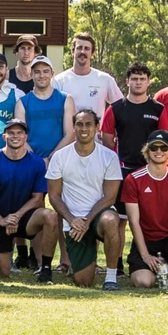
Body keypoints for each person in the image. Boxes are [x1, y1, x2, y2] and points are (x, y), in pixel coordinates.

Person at [46, 110, 124, 287]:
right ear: (73, 127)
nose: (84, 128)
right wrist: (72, 220)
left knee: (111, 220)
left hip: (98, 216)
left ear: (97, 127)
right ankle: (80, 264)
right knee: (84, 282)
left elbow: (110, 198)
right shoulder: (60, 156)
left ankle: (111, 278)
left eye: (89, 124)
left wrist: (87, 220)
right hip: (73, 222)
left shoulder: (109, 156)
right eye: (79, 124)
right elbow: (54, 196)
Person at [118, 130, 168, 290]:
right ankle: (158, 269)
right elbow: (133, 222)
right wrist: (145, 255)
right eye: (154, 148)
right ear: (147, 151)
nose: (159, 151)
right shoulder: (133, 179)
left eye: (163, 147)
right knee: (144, 282)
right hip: (146, 241)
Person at [0, 119, 59, 286]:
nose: (15, 136)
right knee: (3, 273)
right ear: (4, 136)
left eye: (19, 133)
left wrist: (16, 217)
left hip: (24, 217)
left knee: (50, 216)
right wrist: (2, 220)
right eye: (11, 133)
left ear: (26, 137)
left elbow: (37, 198)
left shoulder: (37, 162)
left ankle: (46, 268)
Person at [99, 62, 163, 175]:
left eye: (142, 79)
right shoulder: (115, 109)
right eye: (134, 79)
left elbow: (164, 140)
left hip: (150, 168)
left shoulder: (159, 109)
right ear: (127, 81)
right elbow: (107, 143)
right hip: (122, 168)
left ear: (148, 81)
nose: (138, 82)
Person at [52, 33, 121, 117]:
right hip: (68, 126)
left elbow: (120, 108)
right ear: (72, 51)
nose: (82, 52)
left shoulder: (105, 79)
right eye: (79, 48)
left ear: (92, 53)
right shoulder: (58, 81)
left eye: (87, 49)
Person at [20, 55, 75, 158]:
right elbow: (20, 137)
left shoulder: (66, 99)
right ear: (31, 75)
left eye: (46, 71)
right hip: (31, 161)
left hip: (60, 160)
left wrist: (51, 158)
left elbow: (70, 134)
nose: (42, 75)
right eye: (37, 72)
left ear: (52, 74)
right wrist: (38, 161)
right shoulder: (22, 103)